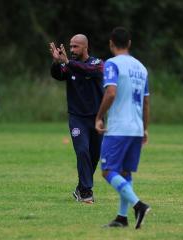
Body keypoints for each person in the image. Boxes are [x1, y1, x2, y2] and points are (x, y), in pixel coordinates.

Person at [95, 27, 151, 229]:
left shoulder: (112, 64)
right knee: (125, 173)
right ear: (129, 43)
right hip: (136, 127)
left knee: (108, 170)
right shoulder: (141, 68)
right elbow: (146, 102)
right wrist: (145, 128)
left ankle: (138, 205)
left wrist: (99, 116)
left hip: (119, 127)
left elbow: (110, 93)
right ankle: (122, 217)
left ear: (111, 43)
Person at [49, 34, 104, 203]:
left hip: (97, 118)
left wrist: (67, 62)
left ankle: (80, 189)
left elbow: (86, 70)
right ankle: (86, 192)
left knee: (94, 156)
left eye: (75, 47)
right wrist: (57, 62)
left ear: (85, 47)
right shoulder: (69, 65)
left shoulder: (97, 64)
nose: (72, 50)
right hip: (77, 118)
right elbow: (57, 75)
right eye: (70, 46)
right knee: (82, 151)